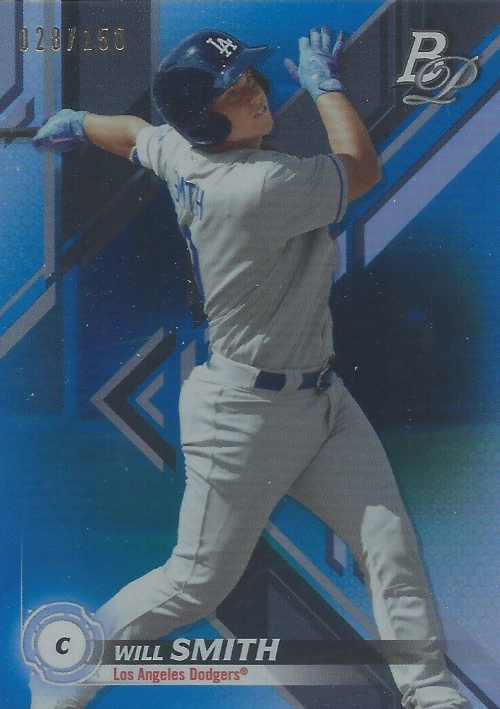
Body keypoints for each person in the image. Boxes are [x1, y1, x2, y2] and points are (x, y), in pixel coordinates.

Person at [31, 26, 468, 709]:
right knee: (193, 584)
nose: (256, 92)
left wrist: (81, 123)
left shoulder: (188, 152)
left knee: (390, 545)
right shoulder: (256, 186)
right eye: (232, 91)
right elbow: (360, 168)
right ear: (206, 119)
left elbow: (138, 135)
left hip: (320, 400)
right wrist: (327, 87)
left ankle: (430, 691)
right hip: (243, 418)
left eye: (248, 79)